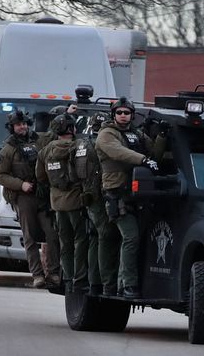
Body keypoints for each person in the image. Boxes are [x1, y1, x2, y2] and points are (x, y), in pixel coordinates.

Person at [95, 97, 165, 299]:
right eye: (119, 112)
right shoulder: (106, 134)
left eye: (127, 112)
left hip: (138, 194)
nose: (123, 116)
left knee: (135, 239)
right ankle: (128, 284)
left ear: (132, 115)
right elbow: (118, 152)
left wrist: (161, 135)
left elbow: (156, 155)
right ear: (113, 115)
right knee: (130, 237)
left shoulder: (137, 134)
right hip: (116, 194)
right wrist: (143, 159)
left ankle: (120, 283)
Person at [0, 109, 60, 289]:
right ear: (12, 127)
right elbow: (0, 175)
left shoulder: (39, 141)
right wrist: (20, 184)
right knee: (30, 237)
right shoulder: (8, 150)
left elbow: (54, 134)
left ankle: (53, 273)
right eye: (18, 124)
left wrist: (67, 113)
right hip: (24, 197)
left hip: (42, 195)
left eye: (24, 123)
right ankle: (37, 275)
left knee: (52, 234)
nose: (22, 127)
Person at [36, 114, 88, 293]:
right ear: (73, 129)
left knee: (64, 242)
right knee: (80, 240)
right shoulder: (77, 147)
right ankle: (79, 277)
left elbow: (40, 176)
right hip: (75, 202)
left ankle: (67, 276)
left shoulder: (46, 150)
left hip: (57, 203)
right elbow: (84, 173)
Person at [72, 111, 121, 296]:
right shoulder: (101, 144)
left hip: (87, 197)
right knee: (106, 236)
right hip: (100, 197)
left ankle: (94, 283)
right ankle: (105, 283)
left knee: (94, 238)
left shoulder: (81, 144)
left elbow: (73, 173)